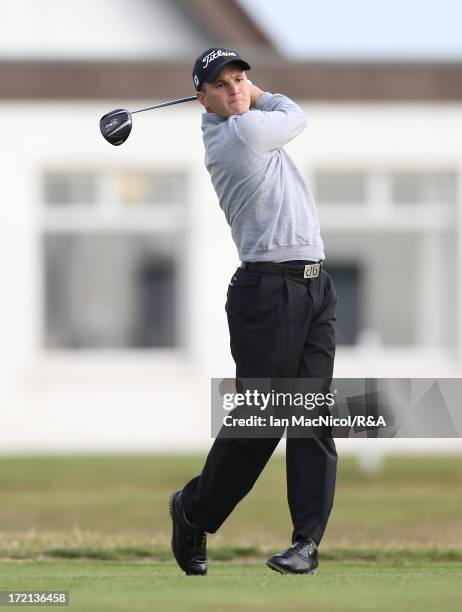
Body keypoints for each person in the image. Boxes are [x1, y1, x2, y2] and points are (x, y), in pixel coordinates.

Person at [170, 47, 338, 576]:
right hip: (266, 294)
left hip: (315, 287)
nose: (237, 89)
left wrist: (243, 90)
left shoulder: (243, 120)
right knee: (262, 423)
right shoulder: (240, 135)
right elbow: (296, 114)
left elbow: (281, 112)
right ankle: (192, 510)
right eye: (222, 84)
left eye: (242, 78)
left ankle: (306, 543)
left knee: (311, 420)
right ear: (203, 100)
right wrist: (257, 96)